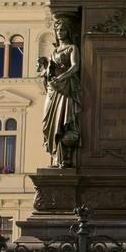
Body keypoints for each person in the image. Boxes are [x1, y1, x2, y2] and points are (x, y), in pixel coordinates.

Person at [39, 16, 81, 167]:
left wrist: (62, 77)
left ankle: (64, 157)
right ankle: (56, 155)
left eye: (62, 29)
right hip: (54, 90)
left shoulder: (72, 48)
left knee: (63, 122)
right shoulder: (55, 51)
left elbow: (75, 66)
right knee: (47, 124)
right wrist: (44, 71)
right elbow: (50, 71)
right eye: (57, 30)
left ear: (68, 31)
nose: (59, 32)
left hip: (65, 89)